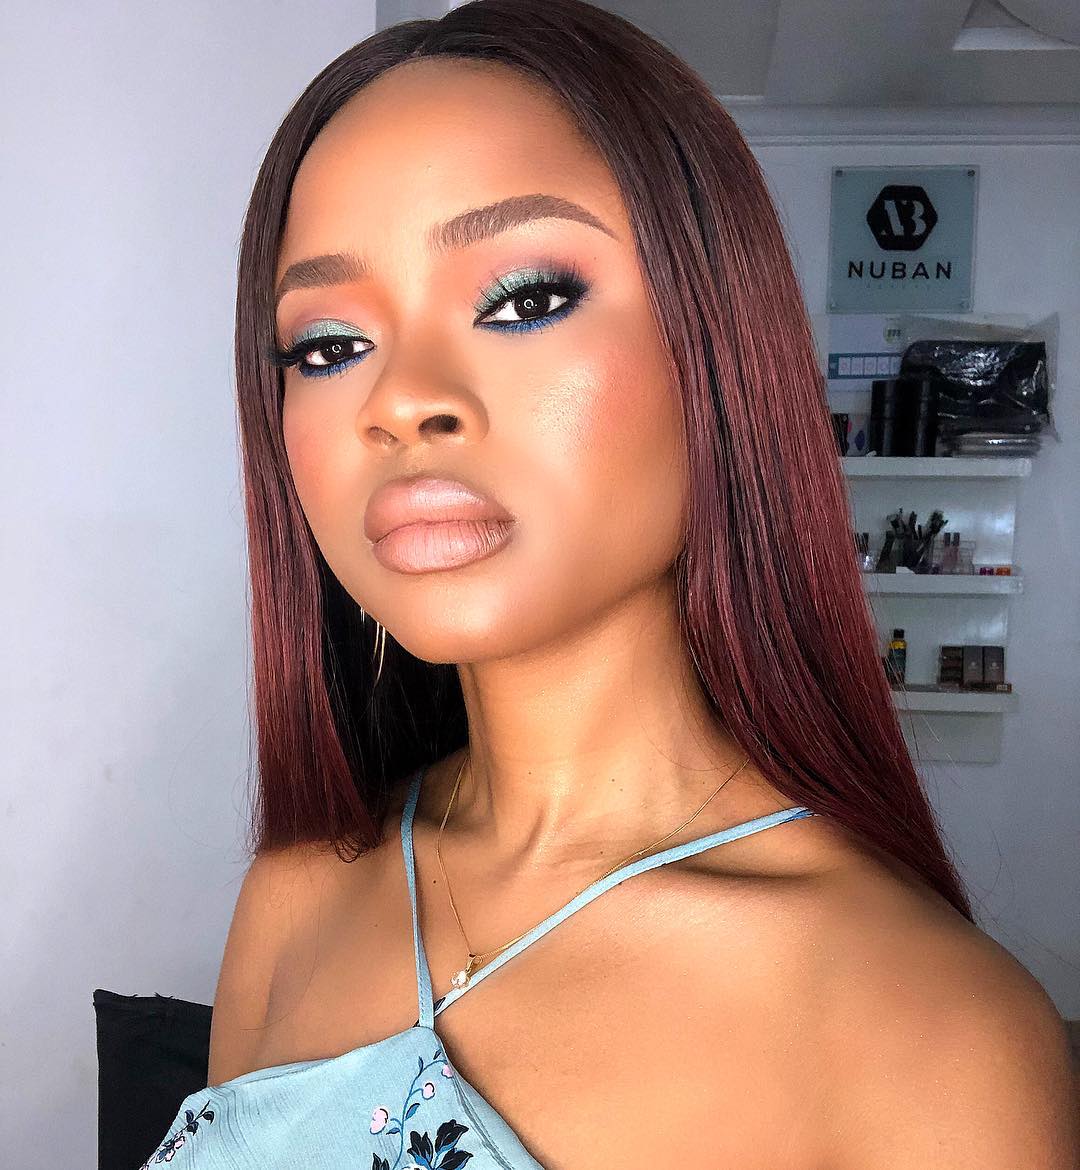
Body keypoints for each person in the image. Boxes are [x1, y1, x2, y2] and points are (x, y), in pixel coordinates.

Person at [140, 2, 1077, 1167]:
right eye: (328, 346)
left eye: (525, 299)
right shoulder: (294, 899)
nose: (402, 400)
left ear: (715, 351)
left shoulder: (927, 1034)